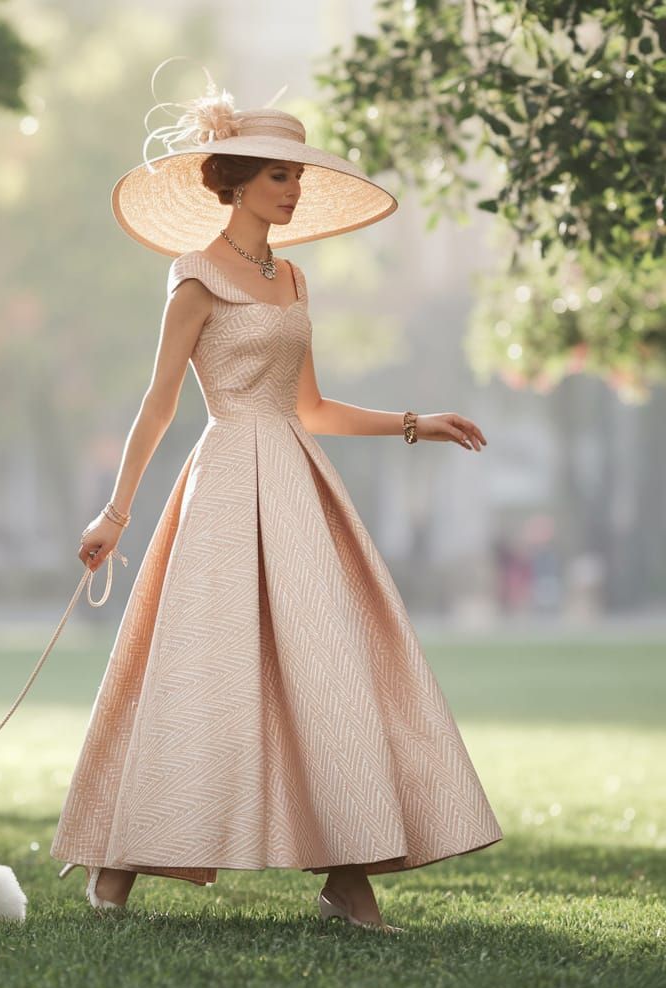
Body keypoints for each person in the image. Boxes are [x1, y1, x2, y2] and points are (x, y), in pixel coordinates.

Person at [50, 61, 503, 934]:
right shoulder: (194, 274)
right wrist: (116, 512)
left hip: (297, 486)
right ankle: (115, 869)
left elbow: (314, 408)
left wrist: (419, 421)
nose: (293, 189)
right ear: (234, 181)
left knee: (327, 668)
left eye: (297, 174)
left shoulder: (294, 282)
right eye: (278, 175)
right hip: (223, 484)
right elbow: (159, 401)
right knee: (196, 672)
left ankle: (347, 877)